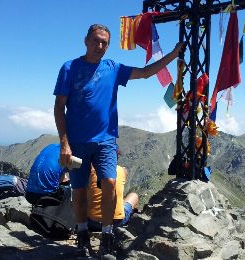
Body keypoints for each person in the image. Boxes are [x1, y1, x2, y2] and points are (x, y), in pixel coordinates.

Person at [53, 23, 183, 257]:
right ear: (86, 40)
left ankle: (107, 234)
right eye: (96, 41)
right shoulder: (69, 68)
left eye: (104, 42)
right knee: (80, 191)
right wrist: (64, 142)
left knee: (110, 184)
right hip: (77, 142)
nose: (100, 46)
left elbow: (144, 73)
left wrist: (173, 54)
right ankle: (82, 234)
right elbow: (59, 107)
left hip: (106, 140)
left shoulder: (113, 68)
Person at [87, 165, 138, 233]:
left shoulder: (90, 171)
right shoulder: (121, 170)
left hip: (92, 223)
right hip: (117, 223)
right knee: (134, 195)